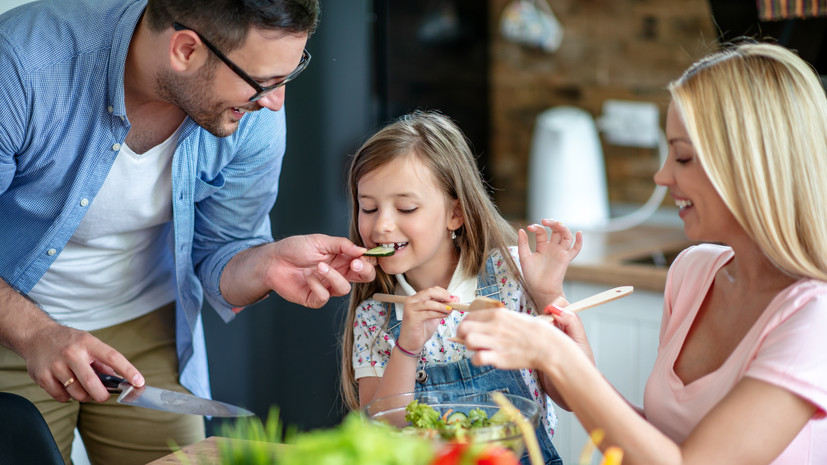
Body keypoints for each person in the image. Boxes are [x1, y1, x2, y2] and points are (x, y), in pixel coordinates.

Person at [0, 0, 375, 463]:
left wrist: (263, 263)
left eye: (289, 73)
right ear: (184, 50)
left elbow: (223, 249)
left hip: (147, 325)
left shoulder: (254, 113)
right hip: (11, 324)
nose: (275, 102)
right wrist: (36, 334)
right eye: (263, 82)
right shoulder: (20, 66)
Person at [456, 41, 827, 464]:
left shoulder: (815, 318)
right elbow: (656, 445)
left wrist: (556, 357)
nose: (662, 174)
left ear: (752, 166)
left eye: (683, 156)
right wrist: (568, 347)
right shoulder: (693, 273)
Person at [339, 110, 582, 465]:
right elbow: (382, 430)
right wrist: (407, 346)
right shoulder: (375, 316)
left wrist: (548, 296)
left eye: (406, 208)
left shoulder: (511, 276)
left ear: (456, 213)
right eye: (369, 208)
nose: (383, 225)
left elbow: (575, 395)